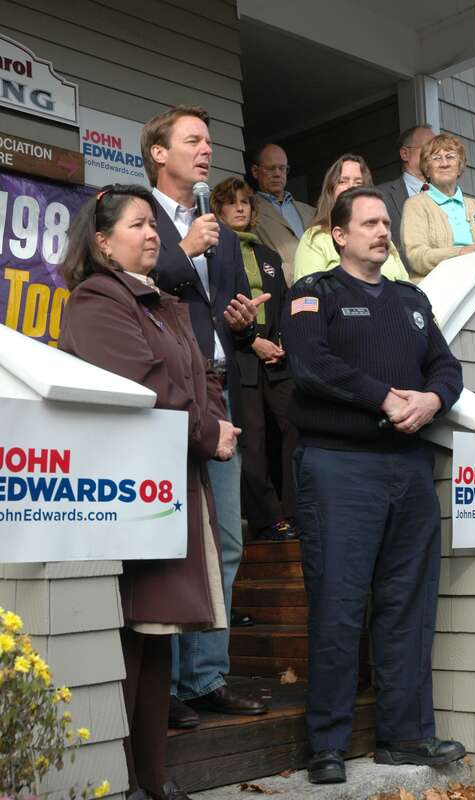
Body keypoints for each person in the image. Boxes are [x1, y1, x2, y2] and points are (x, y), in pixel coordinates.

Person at [58, 184, 239, 800]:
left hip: (171, 484)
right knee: (132, 634)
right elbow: (147, 391)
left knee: (158, 632)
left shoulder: (165, 302)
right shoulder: (97, 300)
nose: (153, 233)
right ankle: (127, 783)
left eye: (154, 225)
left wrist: (213, 419)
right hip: (126, 496)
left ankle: (155, 783)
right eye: (139, 224)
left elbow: (201, 377)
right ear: (103, 241)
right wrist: (210, 430)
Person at [281, 186, 465, 784]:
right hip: (339, 466)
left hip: (408, 469)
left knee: (407, 605)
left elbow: (446, 366)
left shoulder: (411, 300)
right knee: (337, 603)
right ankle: (328, 744)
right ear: (338, 235)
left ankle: (405, 736)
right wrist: (385, 397)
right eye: (369, 223)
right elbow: (311, 367)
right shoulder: (314, 294)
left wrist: (433, 398)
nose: (382, 231)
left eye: (386, 222)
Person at [140, 105, 268, 729]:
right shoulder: (137, 217)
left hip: (219, 391)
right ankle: (159, 688)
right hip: (167, 396)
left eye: (210, 141)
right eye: (193, 140)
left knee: (226, 541)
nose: (206, 149)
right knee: (169, 540)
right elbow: (133, 285)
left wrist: (240, 325)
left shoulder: (214, 228)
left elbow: (213, 313)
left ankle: (203, 679)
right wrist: (181, 250)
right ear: (159, 153)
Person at [211, 177, 299, 541]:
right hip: (241, 358)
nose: (240, 207)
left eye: (245, 201)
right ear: (218, 210)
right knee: (254, 441)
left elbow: (282, 305)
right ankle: (268, 519)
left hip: (277, 361)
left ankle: (297, 513)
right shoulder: (214, 255)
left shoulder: (270, 257)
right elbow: (219, 310)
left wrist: (278, 343)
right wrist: (253, 340)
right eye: (231, 203)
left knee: (294, 430)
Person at [293, 153, 409, 283]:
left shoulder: (382, 236)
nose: (351, 187)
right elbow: (307, 293)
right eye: (343, 181)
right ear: (331, 190)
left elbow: (405, 285)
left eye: (358, 182)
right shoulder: (315, 238)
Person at [401, 133, 475, 282]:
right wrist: (462, 252)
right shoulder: (416, 205)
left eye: (450, 157)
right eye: (436, 158)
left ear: (460, 166)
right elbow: (416, 257)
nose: (444, 163)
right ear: (427, 168)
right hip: (437, 287)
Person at [250, 143, 314, 286]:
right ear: (255, 171)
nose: (277, 174)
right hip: (286, 292)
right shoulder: (250, 213)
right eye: (271, 168)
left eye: (282, 168)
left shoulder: (310, 211)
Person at [377, 124, 434, 262]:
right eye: (428, 147)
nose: (435, 153)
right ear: (405, 154)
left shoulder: (447, 195)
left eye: (437, 148)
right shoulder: (380, 195)